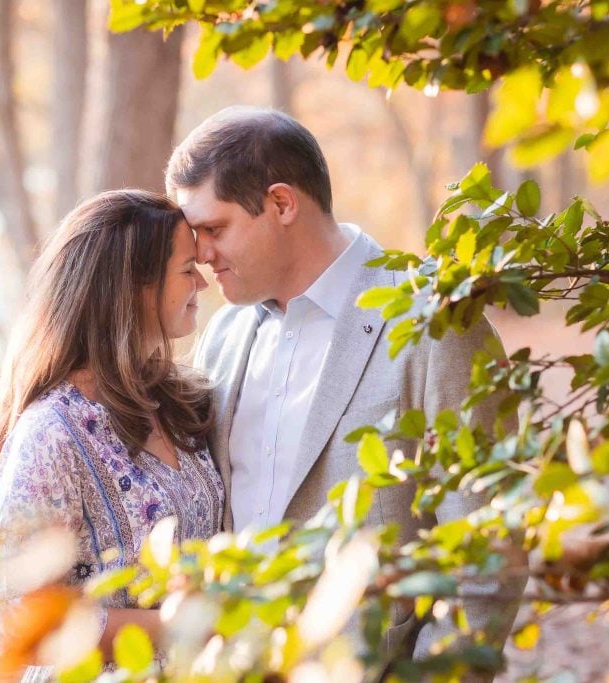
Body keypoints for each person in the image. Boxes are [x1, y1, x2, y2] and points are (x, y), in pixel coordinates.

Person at [168, 107, 527, 664]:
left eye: (214, 229)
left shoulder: (434, 319)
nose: (202, 254)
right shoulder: (224, 336)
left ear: (282, 204)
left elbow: (488, 544)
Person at [0, 190, 222, 675]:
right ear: (134, 288)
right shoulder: (52, 433)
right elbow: (16, 613)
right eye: (186, 270)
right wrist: (185, 624)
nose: (203, 282)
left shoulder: (177, 403)